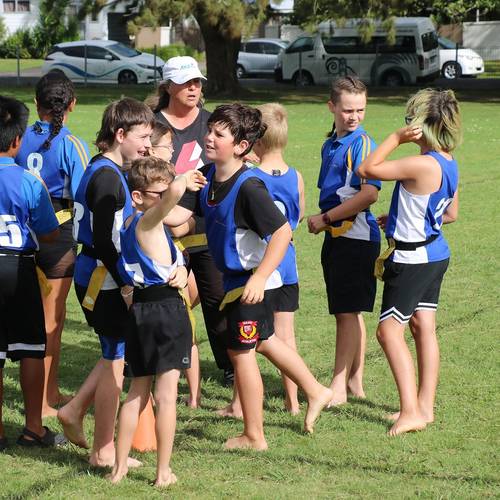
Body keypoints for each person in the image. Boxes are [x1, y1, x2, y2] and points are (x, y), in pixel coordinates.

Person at [168, 103, 333, 450]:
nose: (209, 137)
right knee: (264, 342)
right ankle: (317, 390)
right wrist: (154, 209)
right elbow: (181, 218)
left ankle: (254, 435)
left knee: (241, 353)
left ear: (242, 146)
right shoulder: (207, 174)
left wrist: (259, 277)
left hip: (250, 283)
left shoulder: (249, 187)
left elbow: (282, 233)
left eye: (219, 134)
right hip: (233, 281)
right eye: (209, 130)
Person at [356, 88, 461, 436]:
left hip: (412, 259)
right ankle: (424, 407)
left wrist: (395, 138)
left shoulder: (420, 162)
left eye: (409, 122)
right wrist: (402, 216)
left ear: (421, 125)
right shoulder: (448, 161)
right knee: (423, 328)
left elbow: (366, 168)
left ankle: (410, 411)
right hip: (435, 252)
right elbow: (450, 213)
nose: (406, 126)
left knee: (389, 332)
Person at [57, 98, 154, 467]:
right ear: (120, 134)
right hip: (103, 277)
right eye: (143, 137)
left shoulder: (105, 169)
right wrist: (127, 285)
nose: (148, 144)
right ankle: (103, 451)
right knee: (116, 359)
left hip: (100, 272)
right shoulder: (108, 178)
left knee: (115, 351)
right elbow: (103, 241)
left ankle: (74, 409)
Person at [108, 157, 205, 487]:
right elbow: (175, 195)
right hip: (165, 312)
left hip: (141, 311)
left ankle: (118, 468)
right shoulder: (147, 223)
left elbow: (164, 259)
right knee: (165, 398)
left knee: (136, 392)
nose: (167, 199)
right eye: (159, 194)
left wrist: (181, 269)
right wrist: (186, 179)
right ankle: (163, 472)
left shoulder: (131, 224)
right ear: (138, 196)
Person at [150, 56, 234, 386]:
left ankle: (229, 365)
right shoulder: (152, 124)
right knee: (166, 301)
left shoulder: (213, 123)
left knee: (217, 299)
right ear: (168, 86)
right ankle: (159, 362)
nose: (194, 88)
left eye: (197, 82)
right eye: (186, 83)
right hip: (163, 232)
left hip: (207, 228)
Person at [15, 72, 89, 418]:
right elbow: (84, 195)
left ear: (35, 103)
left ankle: (47, 391)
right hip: (57, 238)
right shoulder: (71, 143)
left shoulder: (18, 137)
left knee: (23, 318)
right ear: (71, 104)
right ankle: (46, 396)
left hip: (19, 233)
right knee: (51, 322)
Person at [307, 76, 381, 406]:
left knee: (347, 314)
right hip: (339, 236)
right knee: (351, 313)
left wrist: (325, 219)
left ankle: (338, 388)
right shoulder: (330, 144)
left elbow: (368, 194)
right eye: (348, 110)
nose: (354, 116)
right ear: (332, 107)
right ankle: (354, 382)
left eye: (360, 110)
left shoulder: (363, 144)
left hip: (355, 237)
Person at [0, 96, 66, 449]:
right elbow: (50, 231)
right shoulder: (27, 179)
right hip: (18, 265)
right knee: (30, 349)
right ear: (16, 141)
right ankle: (33, 428)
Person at [252, 103, 305, 415]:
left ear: (255, 140)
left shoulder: (250, 178)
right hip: (288, 265)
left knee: (245, 340)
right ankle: (293, 401)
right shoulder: (296, 176)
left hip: (261, 265)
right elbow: (296, 215)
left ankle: (240, 403)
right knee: (286, 336)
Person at [148, 120, 201, 407]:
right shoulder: (151, 180)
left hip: (176, 258)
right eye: (168, 146)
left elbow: (177, 224)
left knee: (185, 326)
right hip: (160, 262)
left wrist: (189, 219)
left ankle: (193, 396)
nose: (172, 150)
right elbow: (171, 220)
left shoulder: (170, 175)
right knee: (171, 327)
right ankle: (163, 393)